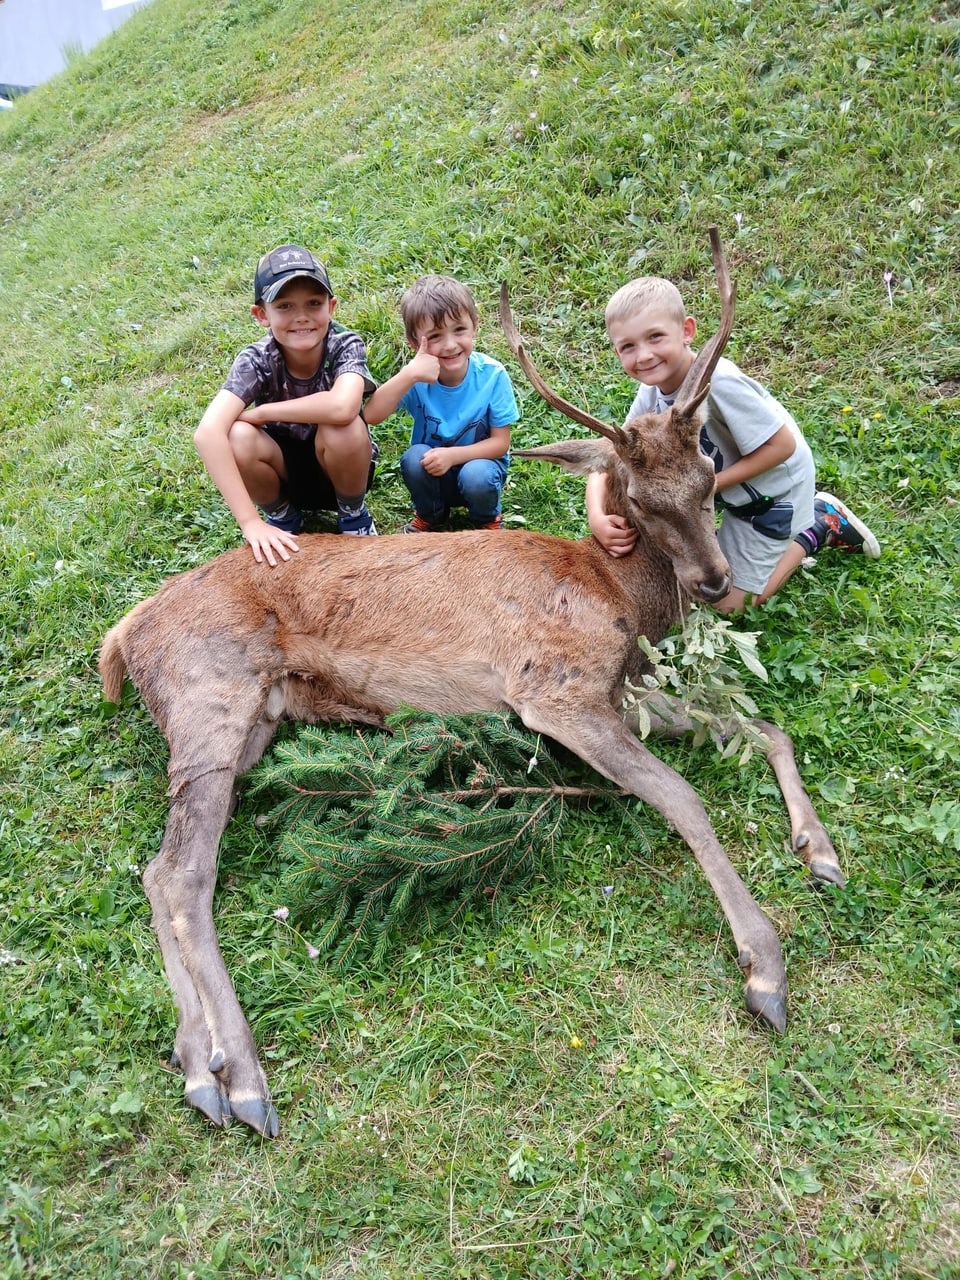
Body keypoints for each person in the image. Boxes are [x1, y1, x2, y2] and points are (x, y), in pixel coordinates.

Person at [587, 275, 880, 611]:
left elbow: (783, 447)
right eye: (629, 346)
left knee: (727, 604)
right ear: (616, 351)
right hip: (727, 495)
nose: (644, 356)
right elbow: (614, 454)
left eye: (655, 337)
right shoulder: (652, 392)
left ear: (687, 331)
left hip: (774, 499)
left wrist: (703, 489)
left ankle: (819, 524)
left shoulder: (721, 383)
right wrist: (596, 515)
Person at [194, 244, 378, 567]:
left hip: (341, 468)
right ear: (261, 315)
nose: (302, 316)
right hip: (283, 472)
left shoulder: (346, 344)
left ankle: (353, 516)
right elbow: (208, 433)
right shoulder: (256, 360)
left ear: (331, 307)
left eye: (314, 303)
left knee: (345, 428)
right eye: (285, 306)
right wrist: (249, 522)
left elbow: (343, 407)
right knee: (237, 435)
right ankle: (281, 516)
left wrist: (264, 412)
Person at [363, 274, 518, 532]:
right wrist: (409, 374)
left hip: (480, 470)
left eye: (459, 330)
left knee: (476, 475)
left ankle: (486, 521)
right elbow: (371, 414)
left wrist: (452, 455)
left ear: (475, 325)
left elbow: (501, 443)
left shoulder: (493, 375)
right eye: (434, 336)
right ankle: (431, 516)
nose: (449, 345)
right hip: (434, 472)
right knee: (414, 458)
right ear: (414, 342)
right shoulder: (416, 378)